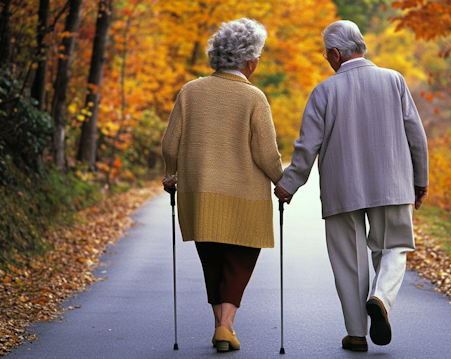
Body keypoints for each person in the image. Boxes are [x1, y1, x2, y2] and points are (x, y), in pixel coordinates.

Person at [274, 20, 429, 352]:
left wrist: (289, 184)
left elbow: (306, 147)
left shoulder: (324, 91)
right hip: (393, 183)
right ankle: (381, 297)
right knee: (394, 246)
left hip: (342, 188)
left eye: (326, 55)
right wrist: (420, 180)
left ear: (335, 54)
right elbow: (416, 135)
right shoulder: (394, 81)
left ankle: (357, 334)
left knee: (349, 260)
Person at [161, 18, 283, 353]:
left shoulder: (190, 90)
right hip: (245, 196)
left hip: (199, 194)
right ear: (250, 62)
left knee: (212, 258)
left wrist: (171, 175)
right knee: (240, 258)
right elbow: (266, 153)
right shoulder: (253, 97)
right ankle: (225, 327)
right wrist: (282, 182)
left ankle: (221, 328)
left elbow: (170, 144)